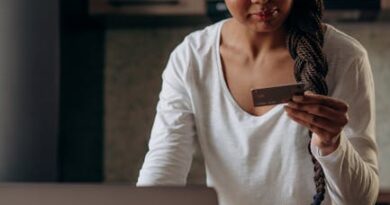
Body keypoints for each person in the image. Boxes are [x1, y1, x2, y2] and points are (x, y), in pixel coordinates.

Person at [136, 0, 379, 204]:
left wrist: (332, 144)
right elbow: (164, 165)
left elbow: (361, 200)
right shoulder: (191, 57)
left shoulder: (345, 57)